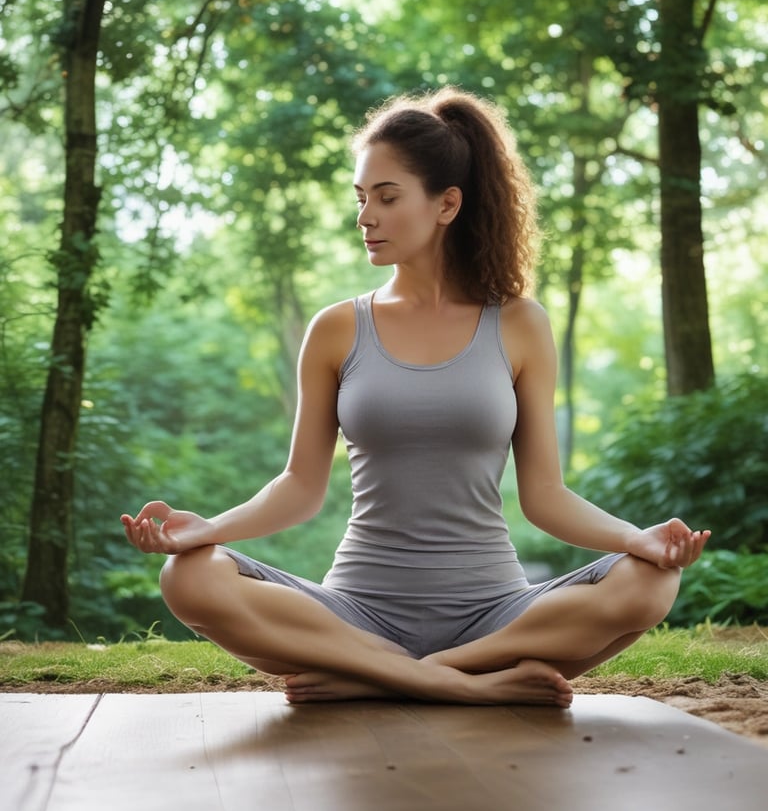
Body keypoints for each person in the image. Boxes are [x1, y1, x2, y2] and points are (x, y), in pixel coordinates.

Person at [121, 86, 710, 707]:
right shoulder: (337, 329)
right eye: (361, 198)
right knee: (188, 577)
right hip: (353, 614)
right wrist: (205, 531)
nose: (365, 217)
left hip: (498, 613)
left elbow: (546, 498)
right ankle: (461, 686)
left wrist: (635, 540)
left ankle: (414, 672)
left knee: (650, 585)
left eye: (387, 197)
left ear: (447, 204)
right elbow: (299, 487)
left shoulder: (518, 324)